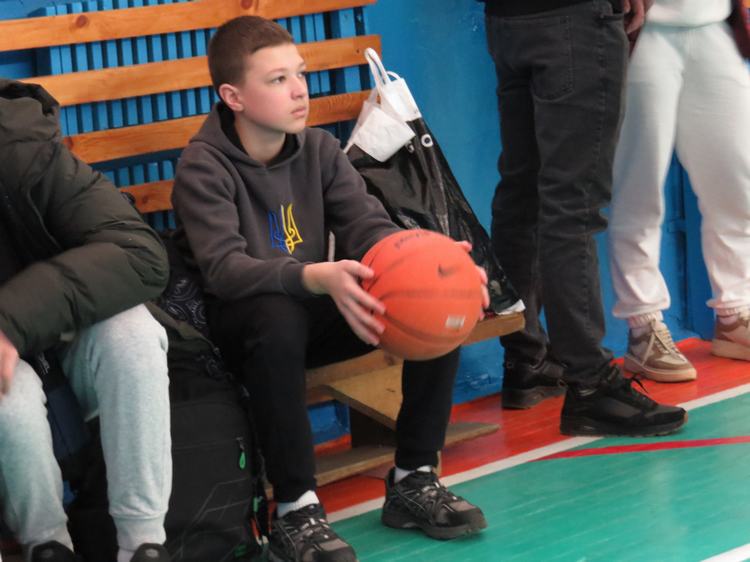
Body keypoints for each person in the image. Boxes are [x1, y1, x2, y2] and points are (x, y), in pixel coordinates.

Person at [172, 15, 490, 562]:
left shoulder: (318, 149)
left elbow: (368, 227)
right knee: (276, 317)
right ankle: (295, 509)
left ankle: (414, 475)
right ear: (233, 97)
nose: (300, 90)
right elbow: (225, 270)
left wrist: (435, 262)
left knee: (432, 297)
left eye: (300, 73)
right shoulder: (203, 167)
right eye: (277, 80)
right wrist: (311, 276)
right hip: (240, 327)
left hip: (314, 303)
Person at [482, 0, 688, 435]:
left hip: (508, 20)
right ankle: (591, 385)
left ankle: (526, 360)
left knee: (522, 194)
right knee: (571, 207)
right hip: (574, 21)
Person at [0, 80, 172, 562]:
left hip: (59, 344)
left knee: (133, 332)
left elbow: (138, 253)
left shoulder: (20, 144)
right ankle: (48, 546)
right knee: (9, 395)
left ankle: (143, 544)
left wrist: (9, 321)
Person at [609, 0, 750, 382]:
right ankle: (643, 325)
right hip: (641, 30)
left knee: (737, 181)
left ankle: (735, 314)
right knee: (639, 185)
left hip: (714, 23)